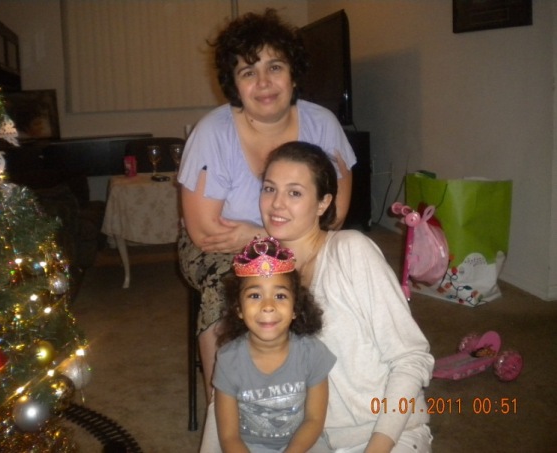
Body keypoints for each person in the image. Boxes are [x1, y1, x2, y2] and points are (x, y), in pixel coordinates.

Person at [177, 8, 357, 403]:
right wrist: (262, 244)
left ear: (293, 73)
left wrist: (260, 235)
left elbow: (335, 215)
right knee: (234, 286)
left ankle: (335, 388)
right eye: (248, 72)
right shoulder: (213, 133)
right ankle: (224, 408)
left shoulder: (323, 125)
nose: (263, 83)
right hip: (219, 246)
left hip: (302, 237)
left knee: (344, 274)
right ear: (234, 84)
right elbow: (206, 233)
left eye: (274, 67)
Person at [257, 141, 434, 453]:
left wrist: (377, 447)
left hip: (383, 433)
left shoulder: (351, 251)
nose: (276, 204)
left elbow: (411, 358)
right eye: (269, 189)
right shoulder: (265, 273)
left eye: (295, 193)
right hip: (310, 435)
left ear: (323, 203)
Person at [214, 236, 336, 453]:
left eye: (280, 296)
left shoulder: (313, 353)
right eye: (255, 295)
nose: (268, 306)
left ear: (295, 308)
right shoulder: (227, 360)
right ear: (238, 309)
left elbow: (314, 420)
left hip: (303, 444)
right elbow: (229, 436)